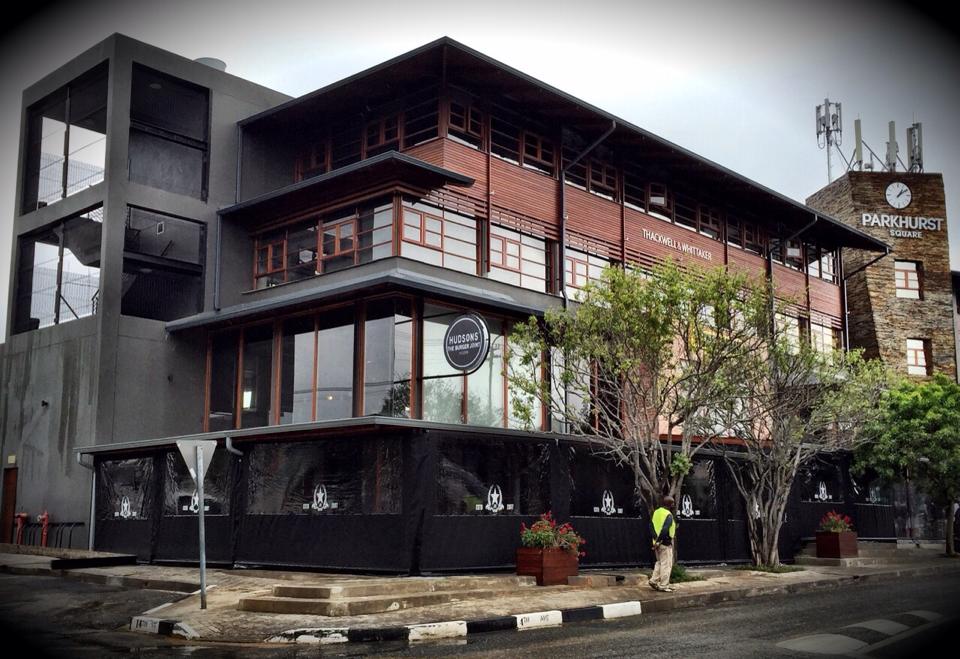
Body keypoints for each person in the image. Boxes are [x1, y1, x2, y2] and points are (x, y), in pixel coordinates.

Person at [649, 495, 677, 592]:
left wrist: (655, 540)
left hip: (656, 543)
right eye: (672, 503)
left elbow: (651, 526)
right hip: (665, 543)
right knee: (666, 564)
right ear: (670, 504)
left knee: (659, 563)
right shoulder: (668, 515)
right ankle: (664, 585)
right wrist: (660, 540)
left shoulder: (656, 512)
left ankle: (653, 581)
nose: (673, 505)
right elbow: (665, 529)